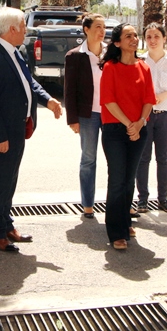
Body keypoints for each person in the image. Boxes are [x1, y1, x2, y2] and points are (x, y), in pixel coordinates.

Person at [0, 6, 63, 253]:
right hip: (1, 133)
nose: (26, 29)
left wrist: (47, 99)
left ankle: (6, 223)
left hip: (18, 129)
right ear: (12, 29)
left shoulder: (16, 51)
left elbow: (29, 81)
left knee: (9, 180)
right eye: (23, 25)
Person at [99, 23, 157, 250]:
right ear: (117, 42)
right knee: (117, 180)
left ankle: (125, 222)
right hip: (115, 130)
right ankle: (116, 232)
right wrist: (129, 125)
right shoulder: (110, 68)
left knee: (128, 179)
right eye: (128, 36)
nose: (134, 39)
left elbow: (149, 100)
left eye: (135, 35)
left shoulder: (144, 67)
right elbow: (108, 101)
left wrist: (140, 123)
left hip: (139, 129)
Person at [64, 13, 107, 219]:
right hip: (87, 114)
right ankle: (88, 203)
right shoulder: (75, 56)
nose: (102, 31)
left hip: (111, 114)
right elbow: (69, 91)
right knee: (88, 159)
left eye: (104, 27)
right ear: (86, 30)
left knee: (115, 160)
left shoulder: (112, 54)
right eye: (97, 27)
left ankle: (117, 203)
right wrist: (72, 119)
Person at [135, 23, 167, 214]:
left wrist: (165, 95)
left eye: (156, 36)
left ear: (164, 38)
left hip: (166, 115)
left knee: (164, 159)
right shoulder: (140, 62)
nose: (152, 41)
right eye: (149, 37)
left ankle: (163, 199)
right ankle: (142, 199)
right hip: (146, 116)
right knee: (143, 158)